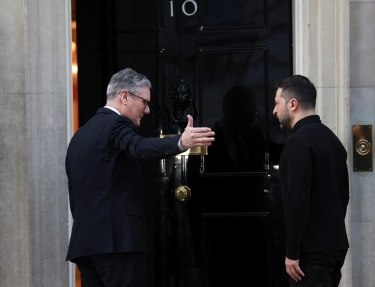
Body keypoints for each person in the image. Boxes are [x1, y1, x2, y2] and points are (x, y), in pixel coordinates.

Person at [65, 68, 215, 287]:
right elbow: (137, 146)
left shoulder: (80, 135)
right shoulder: (116, 124)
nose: (146, 110)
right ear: (124, 96)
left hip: (86, 245)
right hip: (117, 244)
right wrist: (180, 142)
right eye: (144, 102)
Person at [272, 75, 349, 287]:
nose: (274, 111)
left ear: (293, 104)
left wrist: (292, 252)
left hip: (310, 253)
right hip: (334, 246)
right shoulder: (332, 141)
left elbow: (297, 200)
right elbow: (343, 196)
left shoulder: (297, 143)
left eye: (277, 103)